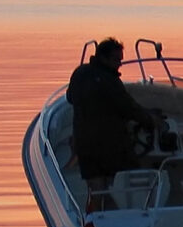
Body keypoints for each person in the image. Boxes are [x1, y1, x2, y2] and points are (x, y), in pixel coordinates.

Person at [66, 38, 159, 190]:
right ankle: (126, 207)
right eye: (116, 60)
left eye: (120, 60)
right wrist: (151, 120)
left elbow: (70, 97)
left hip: (84, 143)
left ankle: (97, 209)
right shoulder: (110, 81)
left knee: (95, 182)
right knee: (130, 173)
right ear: (103, 58)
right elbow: (129, 108)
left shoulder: (79, 73)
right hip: (110, 144)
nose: (119, 64)